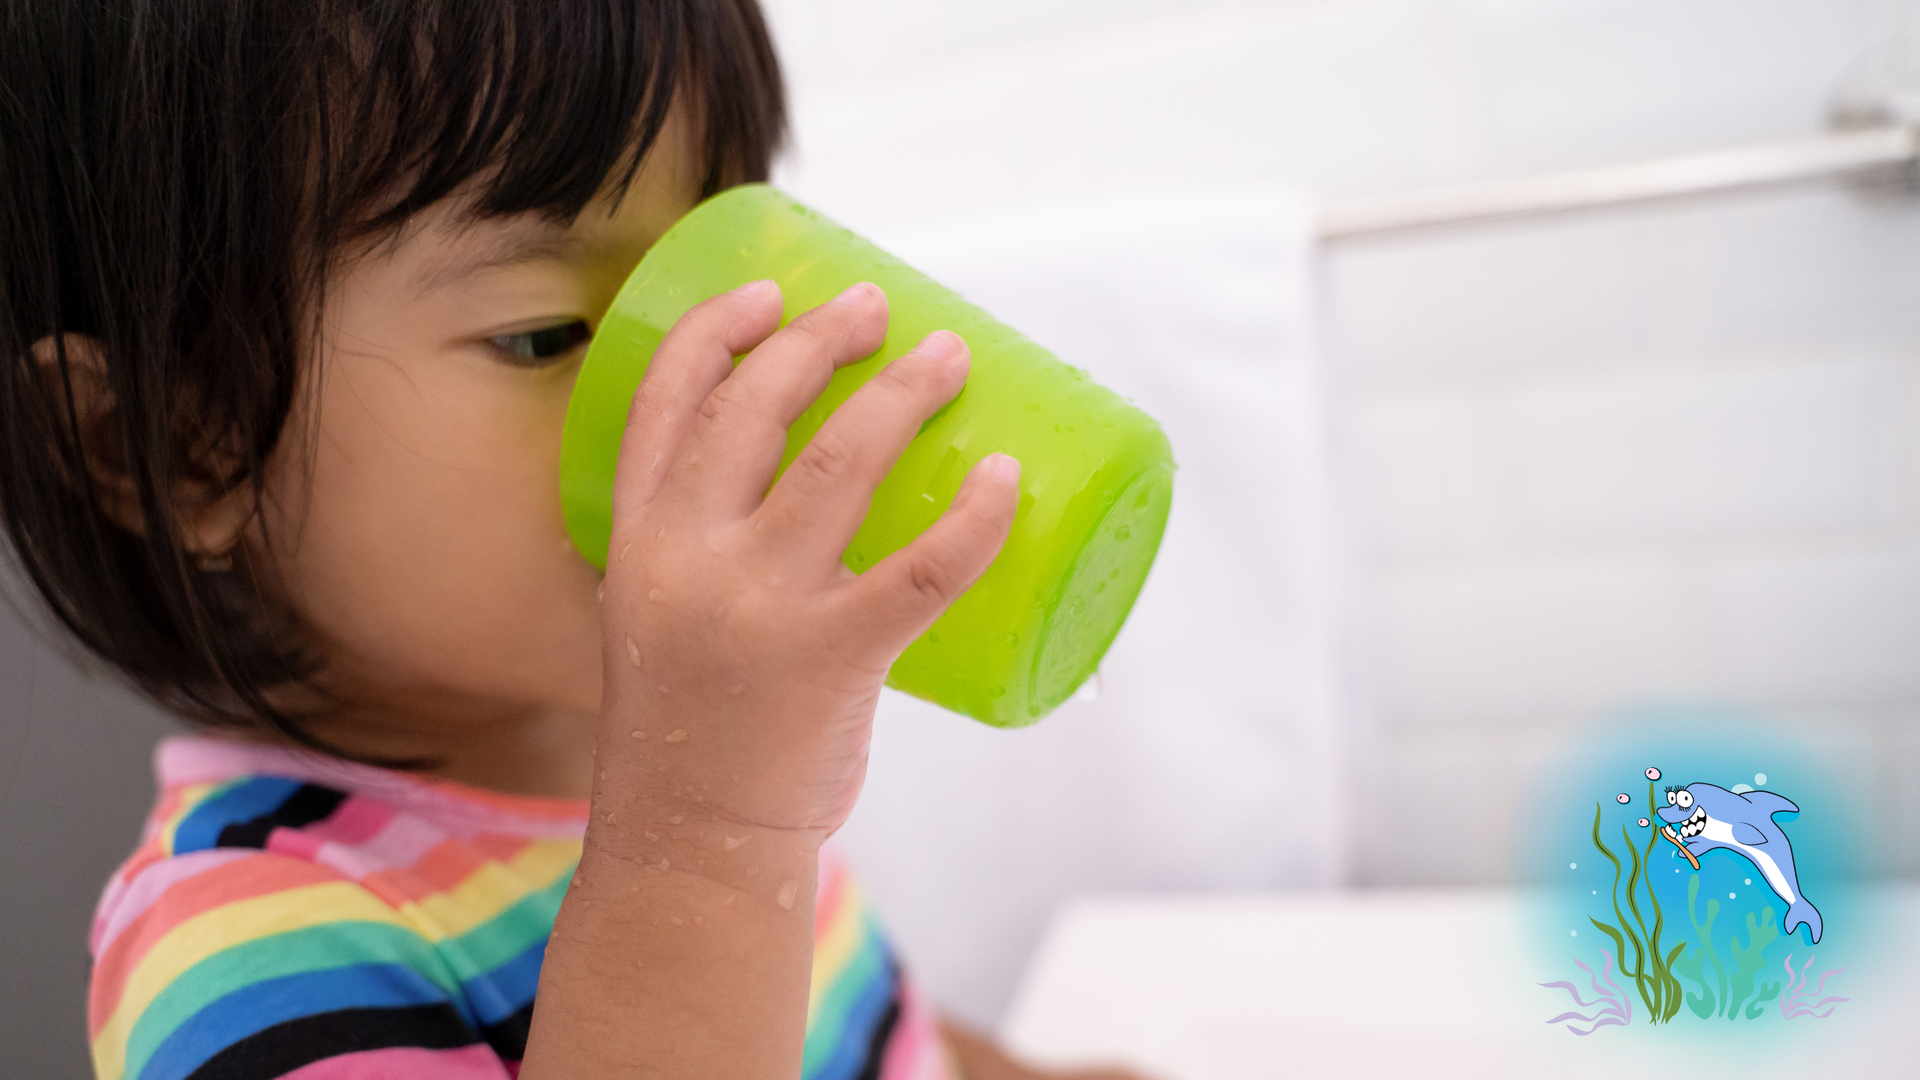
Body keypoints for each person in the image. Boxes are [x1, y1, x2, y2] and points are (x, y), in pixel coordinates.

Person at [0, 2, 1147, 1077]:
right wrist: (708, 840)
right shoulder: (244, 947)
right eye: (547, 334)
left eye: (721, 276)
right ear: (183, 448)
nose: (703, 385)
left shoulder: (642, 746)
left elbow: (849, 1025)